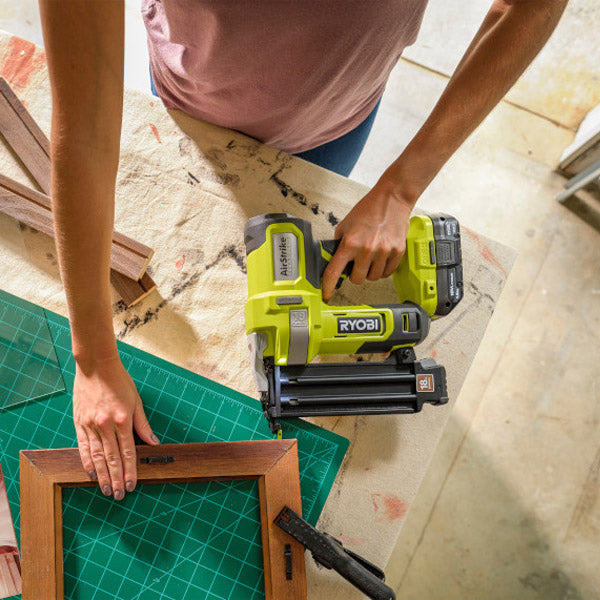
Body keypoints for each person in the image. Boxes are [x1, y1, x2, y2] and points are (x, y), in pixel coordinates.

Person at [38, 0, 567, 501]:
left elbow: (533, 7)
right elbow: (84, 132)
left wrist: (402, 187)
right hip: (193, 97)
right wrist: (95, 359)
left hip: (338, 116)